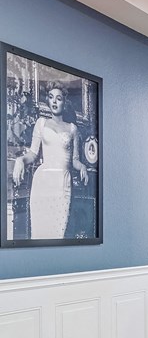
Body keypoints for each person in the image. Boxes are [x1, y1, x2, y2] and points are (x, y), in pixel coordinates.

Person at [10, 83, 89, 239]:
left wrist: (82, 167)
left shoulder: (72, 128)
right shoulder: (41, 123)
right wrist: (20, 160)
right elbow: (33, 153)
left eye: (58, 98)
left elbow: (74, 160)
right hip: (42, 183)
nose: (54, 101)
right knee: (40, 233)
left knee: (58, 233)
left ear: (64, 102)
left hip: (62, 184)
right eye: (51, 97)